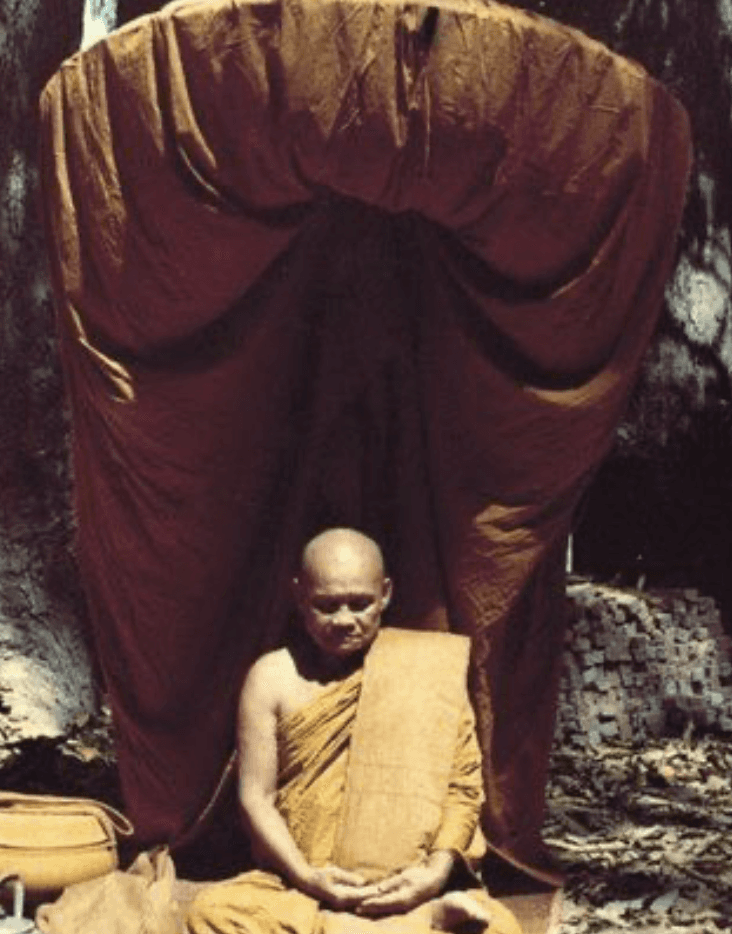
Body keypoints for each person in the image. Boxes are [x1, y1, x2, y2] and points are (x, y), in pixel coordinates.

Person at [185, 528, 522, 934]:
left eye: (359, 604)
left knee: (500, 929)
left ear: (386, 594)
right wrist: (308, 877)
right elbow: (257, 798)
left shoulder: (429, 671)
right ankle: (419, 927)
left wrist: (433, 874)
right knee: (212, 913)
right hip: (302, 884)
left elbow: (462, 790)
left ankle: (400, 918)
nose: (344, 620)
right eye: (326, 606)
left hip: (409, 882)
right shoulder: (272, 677)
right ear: (298, 596)